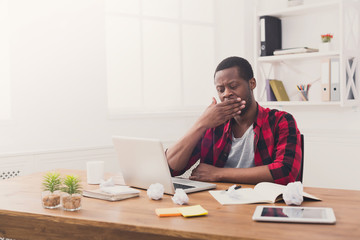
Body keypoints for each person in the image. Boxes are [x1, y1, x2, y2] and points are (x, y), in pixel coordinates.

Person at [166, 56, 302, 185]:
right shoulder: (212, 126)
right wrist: (200, 123)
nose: (226, 94)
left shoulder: (281, 121)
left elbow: (285, 172)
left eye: (233, 86)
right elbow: (170, 168)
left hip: (263, 203)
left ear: (252, 83)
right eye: (220, 89)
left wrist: (219, 173)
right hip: (217, 203)